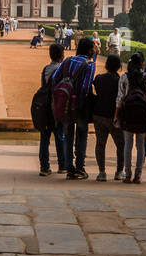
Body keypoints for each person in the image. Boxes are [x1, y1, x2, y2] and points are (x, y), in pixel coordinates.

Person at [115, 52, 146, 182]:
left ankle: (128, 174)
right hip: (143, 114)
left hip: (128, 114)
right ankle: (138, 175)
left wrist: (116, 116)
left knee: (128, 144)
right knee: (141, 145)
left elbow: (119, 99)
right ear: (142, 64)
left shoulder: (125, 77)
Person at [54, 35, 97, 179]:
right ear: (88, 50)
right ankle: (80, 168)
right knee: (81, 135)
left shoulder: (67, 61)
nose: (94, 51)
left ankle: (69, 169)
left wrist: (63, 96)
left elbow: (55, 79)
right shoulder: (89, 65)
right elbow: (85, 87)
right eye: (93, 48)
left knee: (68, 136)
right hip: (80, 106)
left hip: (65, 104)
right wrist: (78, 99)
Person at [90, 52, 124, 181]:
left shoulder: (99, 78)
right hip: (114, 116)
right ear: (119, 66)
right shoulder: (119, 81)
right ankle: (119, 171)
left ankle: (102, 172)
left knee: (100, 144)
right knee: (121, 144)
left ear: (106, 65)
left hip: (99, 114)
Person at [37, 41, 66, 175]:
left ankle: (44, 167)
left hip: (44, 106)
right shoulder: (63, 69)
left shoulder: (45, 69)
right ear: (62, 56)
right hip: (57, 107)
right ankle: (62, 165)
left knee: (44, 138)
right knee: (60, 136)